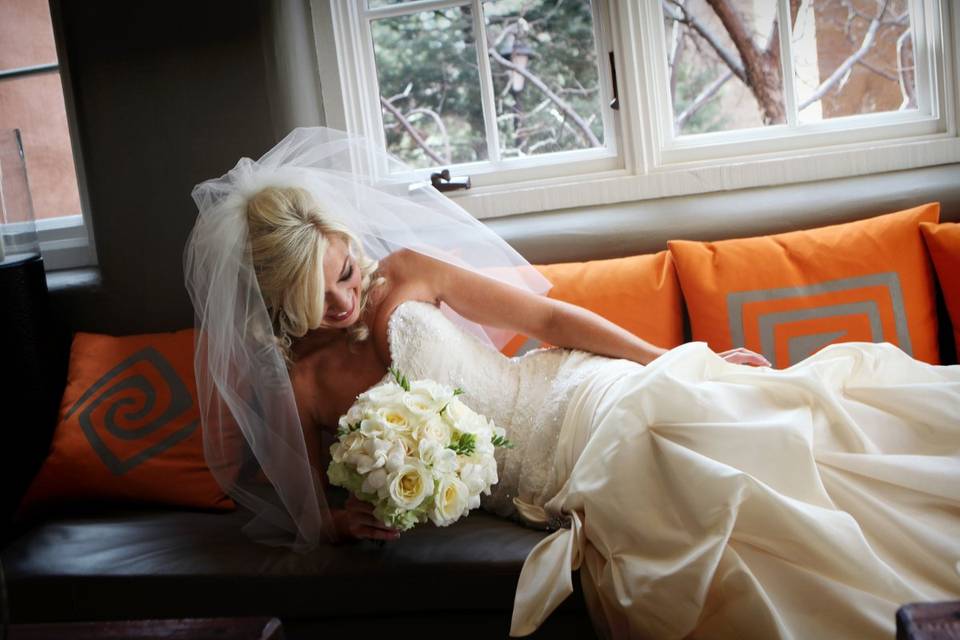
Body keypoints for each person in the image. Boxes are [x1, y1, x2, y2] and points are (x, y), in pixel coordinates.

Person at [185, 128, 960, 639]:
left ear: (349, 244)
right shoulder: (298, 382)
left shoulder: (409, 275)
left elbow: (552, 323)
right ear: (279, 306)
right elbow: (308, 513)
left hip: (578, 393)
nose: (346, 301)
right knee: (694, 490)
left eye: (346, 272)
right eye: (316, 300)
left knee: (731, 421)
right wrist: (348, 519)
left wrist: (665, 356)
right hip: (545, 482)